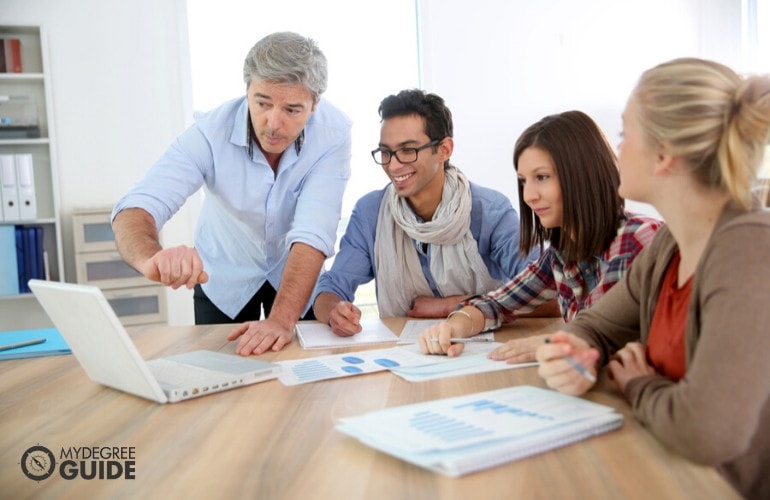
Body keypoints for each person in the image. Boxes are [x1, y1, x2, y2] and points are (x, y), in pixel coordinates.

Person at [536, 58, 770, 499]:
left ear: (664, 155)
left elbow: (707, 431)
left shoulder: (751, 252)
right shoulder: (671, 244)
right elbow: (595, 326)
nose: (616, 150)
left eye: (625, 134)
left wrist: (637, 384)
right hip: (671, 470)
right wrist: (574, 352)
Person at [112, 32, 352, 355]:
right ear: (247, 90)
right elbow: (137, 206)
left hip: (296, 277)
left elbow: (314, 230)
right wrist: (150, 257)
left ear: (315, 105)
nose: (273, 123)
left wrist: (282, 320)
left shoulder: (333, 135)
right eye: (262, 102)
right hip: (224, 277)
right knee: (220, 376)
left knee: (304, 381)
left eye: (292, 110)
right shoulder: (210, 134)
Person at [420, 110, 662, 360]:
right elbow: (498, 303)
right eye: (524, 181)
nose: (528, 196)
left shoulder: (635, 239)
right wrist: (453, 328)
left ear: (581, 174)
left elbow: (606, 338)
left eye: (542, 177)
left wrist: (553, 343)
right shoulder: (563, 253)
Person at [312, 89, 538, 336]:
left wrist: (449, 305)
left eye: (408, 150)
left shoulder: (490, 211)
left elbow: (545, 293)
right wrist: (334, 310)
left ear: (444, 149)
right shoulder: (371, 213)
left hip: (486, 350)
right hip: (406, 357)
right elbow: (332, 286)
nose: (393, 165)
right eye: (385, 152)